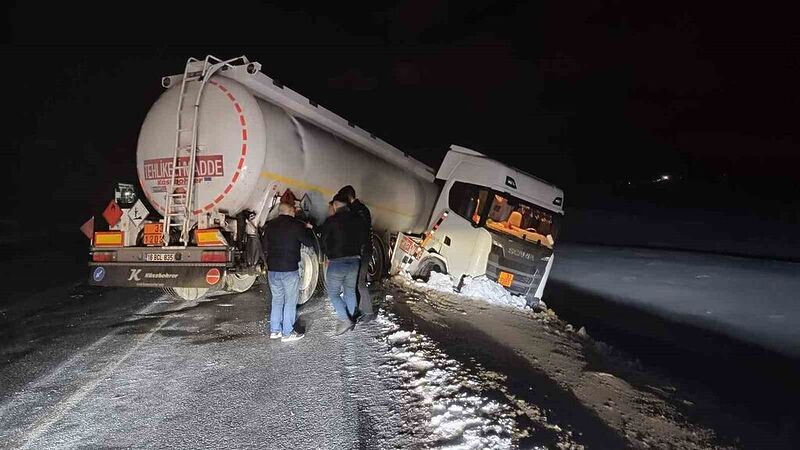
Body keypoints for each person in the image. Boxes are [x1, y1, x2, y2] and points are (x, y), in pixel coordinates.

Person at [261, 202, 315, 342]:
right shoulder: (296, 225)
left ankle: (275, 331)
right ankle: (287, 333)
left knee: (277, 300)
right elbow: (308, 242)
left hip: (273, 270)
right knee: (290, 301)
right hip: (289, 269)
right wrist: (308, 229)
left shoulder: (270, 226)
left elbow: (265, 245)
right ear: (291, 211)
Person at [320, 192, 367, 334]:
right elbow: (363, 238)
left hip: (337, 262)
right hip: (354, 261)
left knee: (333, 293)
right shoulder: (358, 220)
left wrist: (328, 254)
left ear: (335, 205)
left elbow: (324, 241)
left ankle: (345, 319)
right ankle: (351, 320)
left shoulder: (331, 221)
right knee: (350, 291)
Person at [336, 185, 375, 322]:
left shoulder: (358, 211)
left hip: (362, 251)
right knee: (356, 282)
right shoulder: (360, 209)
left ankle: (368, 312)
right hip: (363, 250)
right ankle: (359, 309)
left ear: (349, 197)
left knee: (359, 283)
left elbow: (358, 232)